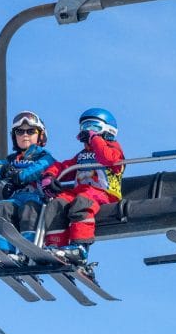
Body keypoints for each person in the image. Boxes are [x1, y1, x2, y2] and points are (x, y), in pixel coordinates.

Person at [42, 108, 125, 263]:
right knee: (58, 203)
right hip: (81, 192)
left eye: (94, 126)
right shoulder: (81, 155)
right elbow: (64, 166)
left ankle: (79, 247)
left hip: (104, 193)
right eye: (85, 127)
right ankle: (56, 245)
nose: (88, 130)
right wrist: (49, 176)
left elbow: (109, 159)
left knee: (81, 202)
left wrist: (96, 139)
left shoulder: (114, 149)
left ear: (108, 130)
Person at [0, 111, 56, 254]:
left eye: (30, 131)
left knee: (29, 209)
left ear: (41, 135)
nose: (25, 135)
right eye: (20, 132)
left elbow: (40, 168)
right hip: (16, 199)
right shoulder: (12, 160)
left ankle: (28, 249)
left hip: (37, 199)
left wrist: (20, 175)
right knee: (2, 207)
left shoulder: (45, 157)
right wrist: (3, 169)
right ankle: (3, 251)